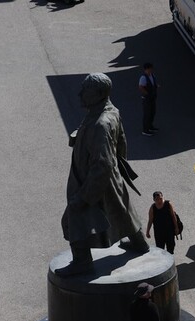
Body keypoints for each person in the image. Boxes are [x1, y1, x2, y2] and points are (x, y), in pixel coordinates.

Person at [56, 73, 151, 277]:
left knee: (75, 215)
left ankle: (82, 261)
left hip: (94, 181)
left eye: (85, 90)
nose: (80, 94)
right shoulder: (110, 111)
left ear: (98, 94)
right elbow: (121, 142)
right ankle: (139, 243)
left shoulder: (101, 124)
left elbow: (102, 164)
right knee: (122, 209)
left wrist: (83, 196)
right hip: (109, 177)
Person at [138, 62, 158, 136]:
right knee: (147, 114)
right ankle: (145, 130)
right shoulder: (143, 77)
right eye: (149, 69)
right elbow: (141, 87)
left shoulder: (152, 75)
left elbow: (153, 84)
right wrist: (147, 94)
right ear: (146, 69)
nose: (150, 70)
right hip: (147, 98)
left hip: (152, 97)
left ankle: (150, 126)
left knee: (152, 112)